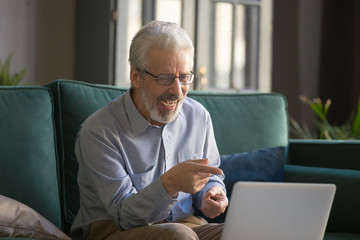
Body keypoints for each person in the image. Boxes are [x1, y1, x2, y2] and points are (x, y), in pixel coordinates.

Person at [70, 20, 228, 240]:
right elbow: (123, 216)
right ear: (136, 76)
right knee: (179, 236)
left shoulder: (198, 116)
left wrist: (211, 193)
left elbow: (210, 175)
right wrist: (170, 184)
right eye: (164, 78)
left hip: (186, 225)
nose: (177, 91)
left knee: (246, 232)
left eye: (184, 78)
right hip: (114, 230)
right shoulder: (99, 131)